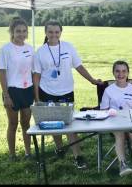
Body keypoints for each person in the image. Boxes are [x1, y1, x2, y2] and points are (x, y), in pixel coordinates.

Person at [33, 20, 102, 169]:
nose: (53, 34)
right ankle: (59, 148)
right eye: (50, 32)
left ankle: (78, 156)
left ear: (60, 32)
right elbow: (37, 76)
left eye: (56, 32)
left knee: (69, 124)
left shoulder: (68, 47)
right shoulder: (40, 52)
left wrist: (92, 80)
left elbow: (78, 66)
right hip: (47, 92)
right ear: (45, 33)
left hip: (66, 91)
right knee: (53, 123)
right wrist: (37, 97)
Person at [100, 60, 132, 176]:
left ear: (128, 73)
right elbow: (103, 111)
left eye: (124, 71)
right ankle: (123, 164)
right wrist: (111, 113)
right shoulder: (108, 90)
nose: (121, 74)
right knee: (119, 133)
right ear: (113, 73)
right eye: (117, 71)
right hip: (115, 122)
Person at [0, 17, 34, 161]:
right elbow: (2, 73)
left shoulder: (30, 48)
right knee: (12, 124)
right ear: (12, 32)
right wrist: (6, 95)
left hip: (27, 90)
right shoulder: (5, 49)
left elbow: (33, 70)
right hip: (12, 91)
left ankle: (28, 153)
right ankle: (12, 155)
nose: (21, 34)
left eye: (24, 31)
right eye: (18, 31)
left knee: (26, 123)